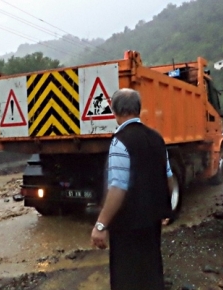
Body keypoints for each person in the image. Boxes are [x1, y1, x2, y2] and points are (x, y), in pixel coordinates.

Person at [90, 88, 174, 290]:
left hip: (127, 227)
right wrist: (165, 209)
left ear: (114, 111)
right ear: (139, 109)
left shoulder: (120, 141)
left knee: (127, 278)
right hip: (152, 223)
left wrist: (100, 225)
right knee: (151, 274)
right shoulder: (157, 138)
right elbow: (168, 177)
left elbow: (118, 187)